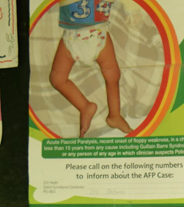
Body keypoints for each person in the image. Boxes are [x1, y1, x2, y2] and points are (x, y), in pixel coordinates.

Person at [48, 0, 133, 137]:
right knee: (57, 79)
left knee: (113, 75)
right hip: (72, 37)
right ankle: (84, 106)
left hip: (98, 35)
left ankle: (114, 115)